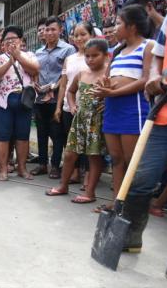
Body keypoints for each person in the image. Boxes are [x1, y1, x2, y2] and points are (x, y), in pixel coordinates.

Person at [123, 3, 167, 280]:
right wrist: (155, 76)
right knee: (141, 178)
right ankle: (131, 235)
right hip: (166, 113)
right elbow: (158, 55)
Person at [93, 5, 154, 209]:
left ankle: (133, 204)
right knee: (116, 158)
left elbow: (145, 79)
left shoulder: (148, 46)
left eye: (119, 23)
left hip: (132, 108)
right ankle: (117, 201)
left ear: (133, 26)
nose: (115, 27)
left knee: (132, 159)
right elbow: (106, 77)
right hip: (112, 107)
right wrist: (103, 88)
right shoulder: (117, 51)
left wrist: (113, 93)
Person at [46, 39, 109, 203]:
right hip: (79, 119)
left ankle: (90, 192)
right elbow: (70, 91)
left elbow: (114, 93)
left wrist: (107, 103)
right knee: (69, 154)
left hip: (97, 122)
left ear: (105, 55)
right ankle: (63, 185)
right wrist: (72, 105)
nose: (90, 59)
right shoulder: (82, 73)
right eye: (87, 56)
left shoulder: (109, 73)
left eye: (95, 55)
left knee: (94, 157)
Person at [0, 25, 40, 181]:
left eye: (14, 39)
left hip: (24, 101)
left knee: (23, 136)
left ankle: (22, 168)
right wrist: (9, 62)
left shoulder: (29, 55)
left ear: (21, 41)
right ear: (3, 43)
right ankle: (3, 169)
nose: (10, 42)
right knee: (3, 135)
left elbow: (35, 70)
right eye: (7, 40)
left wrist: (18, 55)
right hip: (2, 102)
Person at [32, 16, 75, 179]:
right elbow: (36, 72)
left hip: (58, 98)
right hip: (40, 98)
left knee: (57, 133)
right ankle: (42, 164)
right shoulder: (38, 52)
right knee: (41, 132)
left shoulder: (68, 50)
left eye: (53, 29)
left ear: (60, 30)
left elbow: (66, 74)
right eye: (47, 29)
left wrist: (53, 86)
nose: (49, 33)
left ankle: (55, 165)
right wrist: (36, 84)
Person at [54, 22, 95, 185]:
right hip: (68, 106)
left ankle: (88, 175)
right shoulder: (69, 59)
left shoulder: (97, 55)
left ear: (91, 35)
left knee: (89, 143)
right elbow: (63, 84)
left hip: (91, 108)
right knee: (71, 141)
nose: (79, 38)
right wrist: (58, 107)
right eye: (76, 35)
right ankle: (75, 172)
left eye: (83, 34)